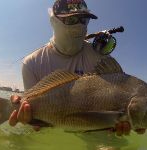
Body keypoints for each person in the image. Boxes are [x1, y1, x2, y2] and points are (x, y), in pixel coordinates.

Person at [9, 0, 134, 135]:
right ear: (54, 22)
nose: (80, 26)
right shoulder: (31, 63)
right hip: (55, 126)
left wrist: (136, 119)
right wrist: (29, 119)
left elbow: (122, 93)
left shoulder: (101, 59)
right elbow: (36, 123)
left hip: (93, 132)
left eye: (84, 20)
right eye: (72, 19)